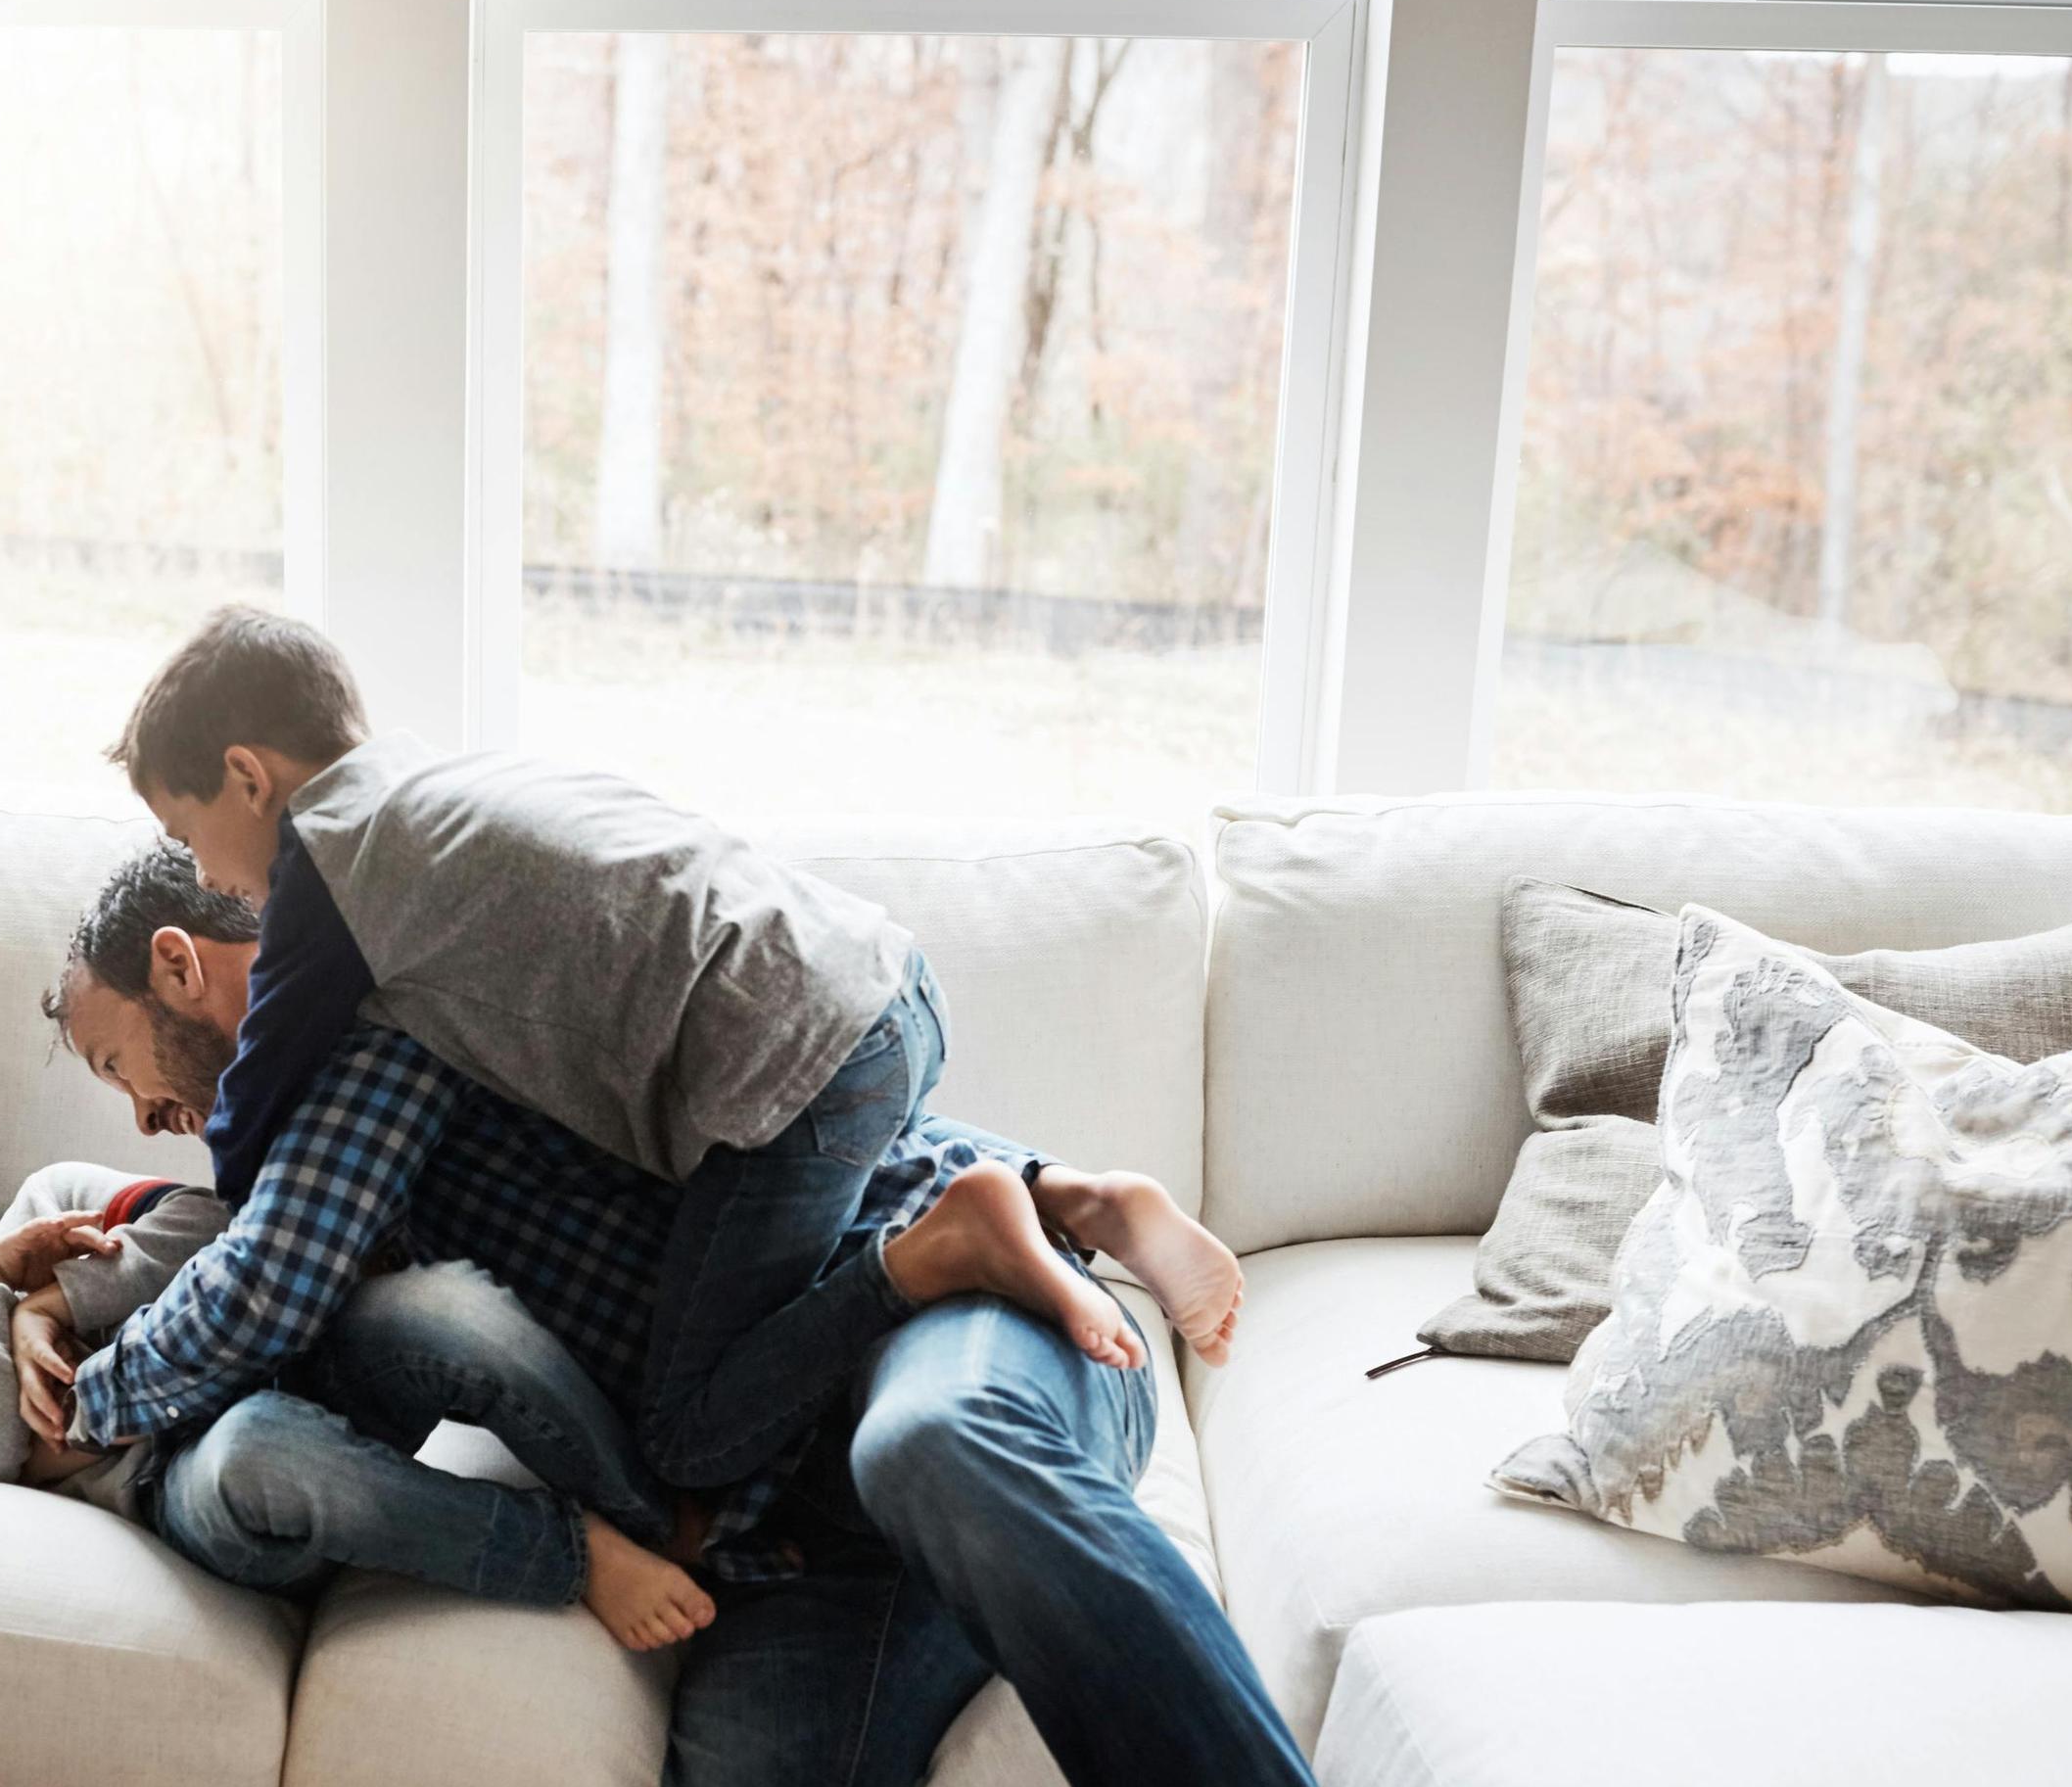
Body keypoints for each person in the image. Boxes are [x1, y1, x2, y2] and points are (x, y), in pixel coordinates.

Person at [34, 845, 1482, 1787]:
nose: (142, 1117)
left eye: (121, 1066)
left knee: (934, 1449)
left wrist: (80, 1409)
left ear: (184, 965)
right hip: (792, 1507)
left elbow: (262, 1293)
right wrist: (23, 1291)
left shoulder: (387, 1032)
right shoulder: (287, 1135)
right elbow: (210, 1274)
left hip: (968, 1322)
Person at [107, 606, 1246, 1502]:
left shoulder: (333, 865)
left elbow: (260, 1094)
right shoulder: (443, 785)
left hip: (780, 1068)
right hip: (880, 989)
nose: (205, 874)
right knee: (851, 1193)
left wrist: (230, 1194)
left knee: (693, 1430)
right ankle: (1076, 1194)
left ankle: (954, 1243)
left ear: (249, 778)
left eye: (186, 832)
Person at [0, 1079, 716, 1649]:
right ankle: (572, 1555)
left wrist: (56, 1300)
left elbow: (215, 1228)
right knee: (255, 1447)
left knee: (441, 1306)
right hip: (206, 1489)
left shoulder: (54, 1192)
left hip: (305, 1363)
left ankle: (652, 1513)